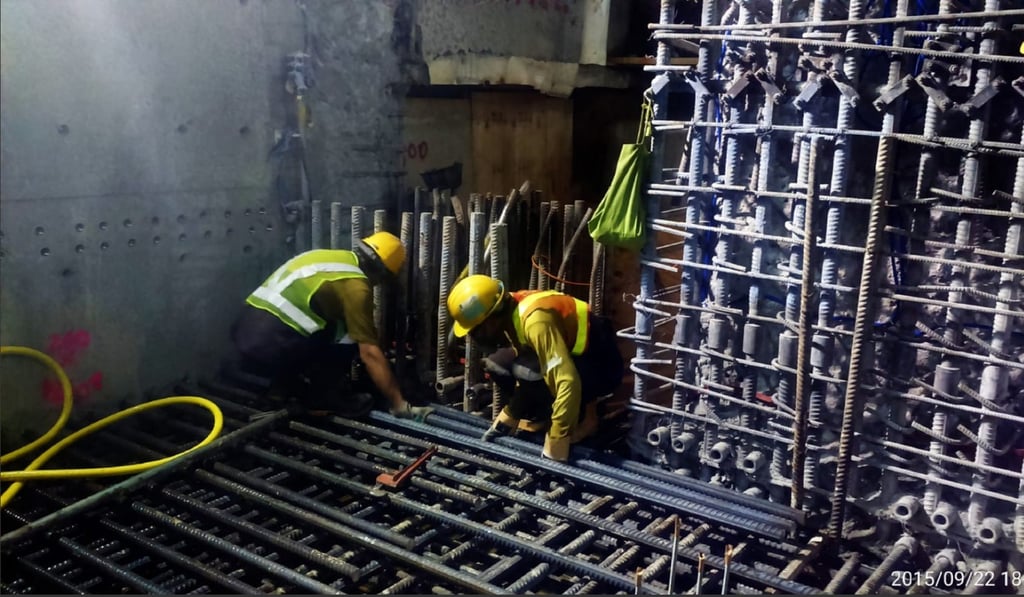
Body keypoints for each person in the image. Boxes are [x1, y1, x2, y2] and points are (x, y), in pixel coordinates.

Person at [232, 231, 433, 421]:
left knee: (326, 324)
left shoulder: (328, 258)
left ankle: (281, 390)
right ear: (382, 274)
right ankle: (325, 398)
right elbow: (369, 353)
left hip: (244, 332)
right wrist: (398, 402)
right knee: (347, 337)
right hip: (271, 345)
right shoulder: (357, 288)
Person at [447, 275, 624, 461]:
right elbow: (528, 366)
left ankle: (587, 420)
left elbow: (567, 382)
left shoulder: (536, 322)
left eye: (476, 330)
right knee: (501, 364)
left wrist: (556, 443)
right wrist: (509, 418)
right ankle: (546, 415)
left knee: (543, 375)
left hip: (602, 365)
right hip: (573, 355)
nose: (475, 337)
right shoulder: (511, 310)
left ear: (492, 317)